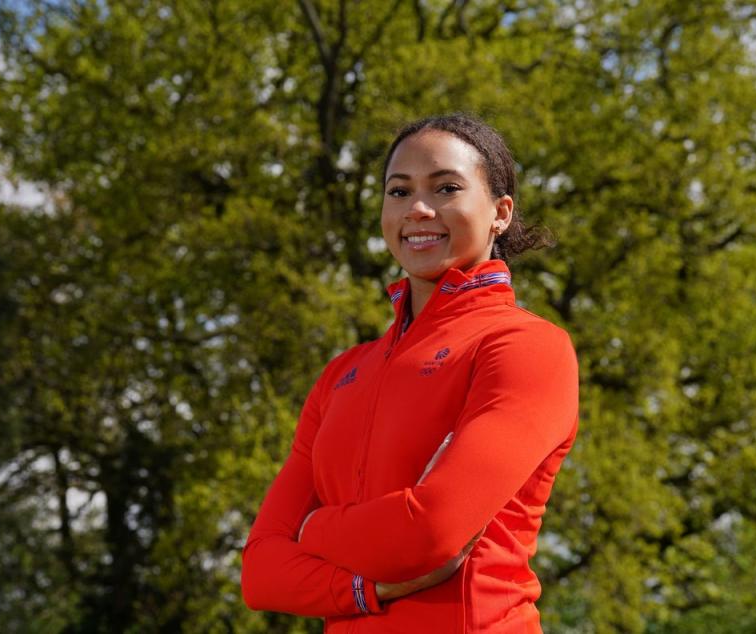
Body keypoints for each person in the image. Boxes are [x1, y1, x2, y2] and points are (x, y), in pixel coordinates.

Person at [241, 113, 579, 633]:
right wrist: (364, 589)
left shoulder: (526, 347)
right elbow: (261, 573)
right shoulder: (341, 374)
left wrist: (310, 531)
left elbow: (429, 535)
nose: (418, 209)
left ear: (500, 213)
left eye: (446, 187)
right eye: (398, 192)